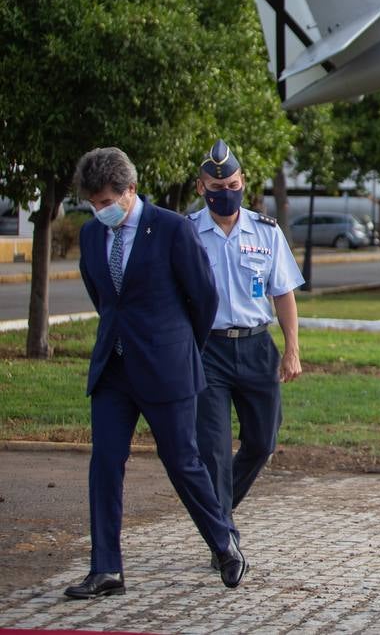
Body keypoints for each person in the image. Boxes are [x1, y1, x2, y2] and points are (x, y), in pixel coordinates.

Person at [66, 147, 245, 600]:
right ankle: (106, 569)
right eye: (94, 202)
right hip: (114, 369)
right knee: (105, 463)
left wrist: (181, 346)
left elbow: (203, 298)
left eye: (107, 200)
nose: (100, 209)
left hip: (166, 367)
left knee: (182, 462)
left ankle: (224, 543)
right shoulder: (91, 236)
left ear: (130, 190)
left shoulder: (171, 228)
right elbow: (103, 298)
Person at [188, 139, 303, 558]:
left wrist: (292, 349)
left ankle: (214, 514)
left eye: (232, 184)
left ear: (243, 182)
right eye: (216, 187)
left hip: (256, 347)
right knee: (214, 449)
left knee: (262, 441)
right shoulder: (186, 233)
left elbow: (284, 294)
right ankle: (224, 539)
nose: (225, 193)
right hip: (207, 351)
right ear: (201, 187)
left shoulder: (266, 232)